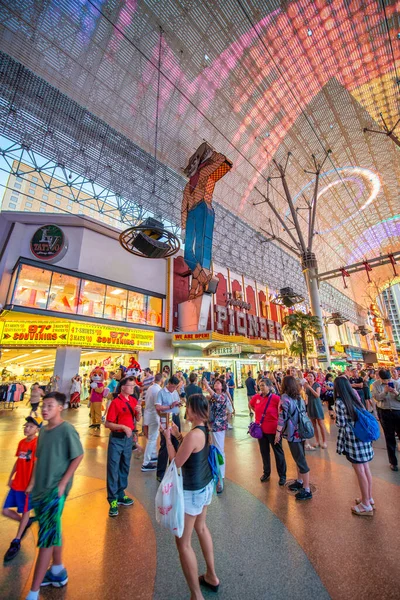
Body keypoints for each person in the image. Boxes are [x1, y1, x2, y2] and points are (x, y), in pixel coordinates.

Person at [24, 392, 83, 599]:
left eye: (50, 405)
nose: (45, 409)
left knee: (46, 540)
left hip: (53, 493)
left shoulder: (67, 429)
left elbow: (78, 455)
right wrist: (32, 482)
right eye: (43, 405)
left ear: (61, 407)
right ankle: (57, 571)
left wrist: (63, 483)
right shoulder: (44, 432)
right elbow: (39, 458)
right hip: (41, 490)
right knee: (52, 529)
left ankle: (33, 591)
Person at [162, 393, 219, 599]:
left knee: (183, 543)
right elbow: (192, 450)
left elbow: (175, 463)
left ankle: (196, 595)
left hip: (192, 493)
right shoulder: (203, 429)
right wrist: (178, 436)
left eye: (188, 407)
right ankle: (211, 576)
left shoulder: (194, 434)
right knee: (201, 528)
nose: (186, 410)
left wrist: (168, 439)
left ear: (194, 411)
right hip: (205, 487)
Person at [2, 415, 42, 562]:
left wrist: (32, 485)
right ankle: (24, 522)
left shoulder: (37, 444)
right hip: (17, 483)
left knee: (26, 511)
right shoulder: (21, 443)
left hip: (27, 486)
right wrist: (11, 476)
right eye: (26, 426)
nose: (27, 428)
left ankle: (17, 540)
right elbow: (17, 461)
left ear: (37, 429)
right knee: (5, 510)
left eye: (31, 426)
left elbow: (37, 466)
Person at [334, 377, 375, 516]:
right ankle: (368, 498)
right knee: (365, 468)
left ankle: (366, 505)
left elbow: (340, 423)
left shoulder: (340, 402)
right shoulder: (355, 397)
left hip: (353, 439)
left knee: (360, 470)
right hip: (364, 437)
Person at [105, 376, 142, 516]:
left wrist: (139, 412)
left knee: (125, 466)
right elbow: (108, 424)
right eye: (130, 386)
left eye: (134, 386)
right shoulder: (115, 403)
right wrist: (122, 427)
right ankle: (112, 499)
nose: (133, 388)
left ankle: (121, 493)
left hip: (128, 440)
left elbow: (136, 419)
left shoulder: (133, 400)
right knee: (113, 468)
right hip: (117, 439)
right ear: (123, 387)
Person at [275, 376, 312, 501]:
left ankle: (307, 489)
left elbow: (282, 418)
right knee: (299, 457)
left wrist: (278, 433)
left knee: (300, 459)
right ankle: (300, 480)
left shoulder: (285, 398)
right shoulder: (299, 397)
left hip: (293, 433)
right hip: (301, 431)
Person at [250, 380, 286, 485]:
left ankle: (282, 476)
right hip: (260, 431)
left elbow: (281, 412)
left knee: (278, 453)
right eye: (260, 385)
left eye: (263, 385)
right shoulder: (256, 397)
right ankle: (266, 473)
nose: (261, 387)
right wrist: (258, 416)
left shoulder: (275, 398)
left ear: (269, 387)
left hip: (273, 431)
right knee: (264, 452)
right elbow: (252, 405)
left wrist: (279, 429)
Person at [202, 378, 229, 493]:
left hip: (219, 427)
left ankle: (221, 476)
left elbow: (217, 398)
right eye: (215, 383)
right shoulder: (213, 397)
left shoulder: (223, 396)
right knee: (212, 449)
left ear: (222, 386)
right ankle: (215, 472)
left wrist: (207, 386)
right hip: (212, 426)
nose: (216, 384)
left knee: (219, 450)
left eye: (218, 383)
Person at [372, 369, 400, 471]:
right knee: (389, 437)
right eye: (385, 380)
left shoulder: (397, 383)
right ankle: (393, 462)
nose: (387, 382)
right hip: (385, 412)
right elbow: (377, 398)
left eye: (388, 379)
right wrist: (385, 392)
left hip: (398, 411)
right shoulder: (375, 385)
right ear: (380, 378)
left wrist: (395, 392)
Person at [155, 375, 181, 481]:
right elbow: (158, 407)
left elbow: (177, 402)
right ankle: (160, 473)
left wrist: (178, 404)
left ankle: (172, 470)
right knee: (165, 445)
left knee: (175, 444)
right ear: (169, 383)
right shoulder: (161, 393)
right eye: (173, 386)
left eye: (175, 387)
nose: (174, 389)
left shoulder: (175, 392)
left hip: (176, 418)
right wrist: (170, 406)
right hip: (166, 419)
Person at [141, 373, 163, 472]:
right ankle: (146, 463)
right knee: (152, 439)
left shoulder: (150, 388)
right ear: (162, 380)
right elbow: (157, 406)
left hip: (148, 414)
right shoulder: (158, 390)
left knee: (152, 436)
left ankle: (153, 455)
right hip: (154, 416)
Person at [304, 372, 327, 449]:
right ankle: (317, 440)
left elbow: (317, 395)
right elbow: (306, 395)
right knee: (314, 424)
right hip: (310, 405)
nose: (309, 377)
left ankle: (324, 441)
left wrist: (310, 388)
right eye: (308, 376)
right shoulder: (307, 385)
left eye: (311, 376)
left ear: (314, 377)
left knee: (320, 423)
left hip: (316, 404)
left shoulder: (316, 385)